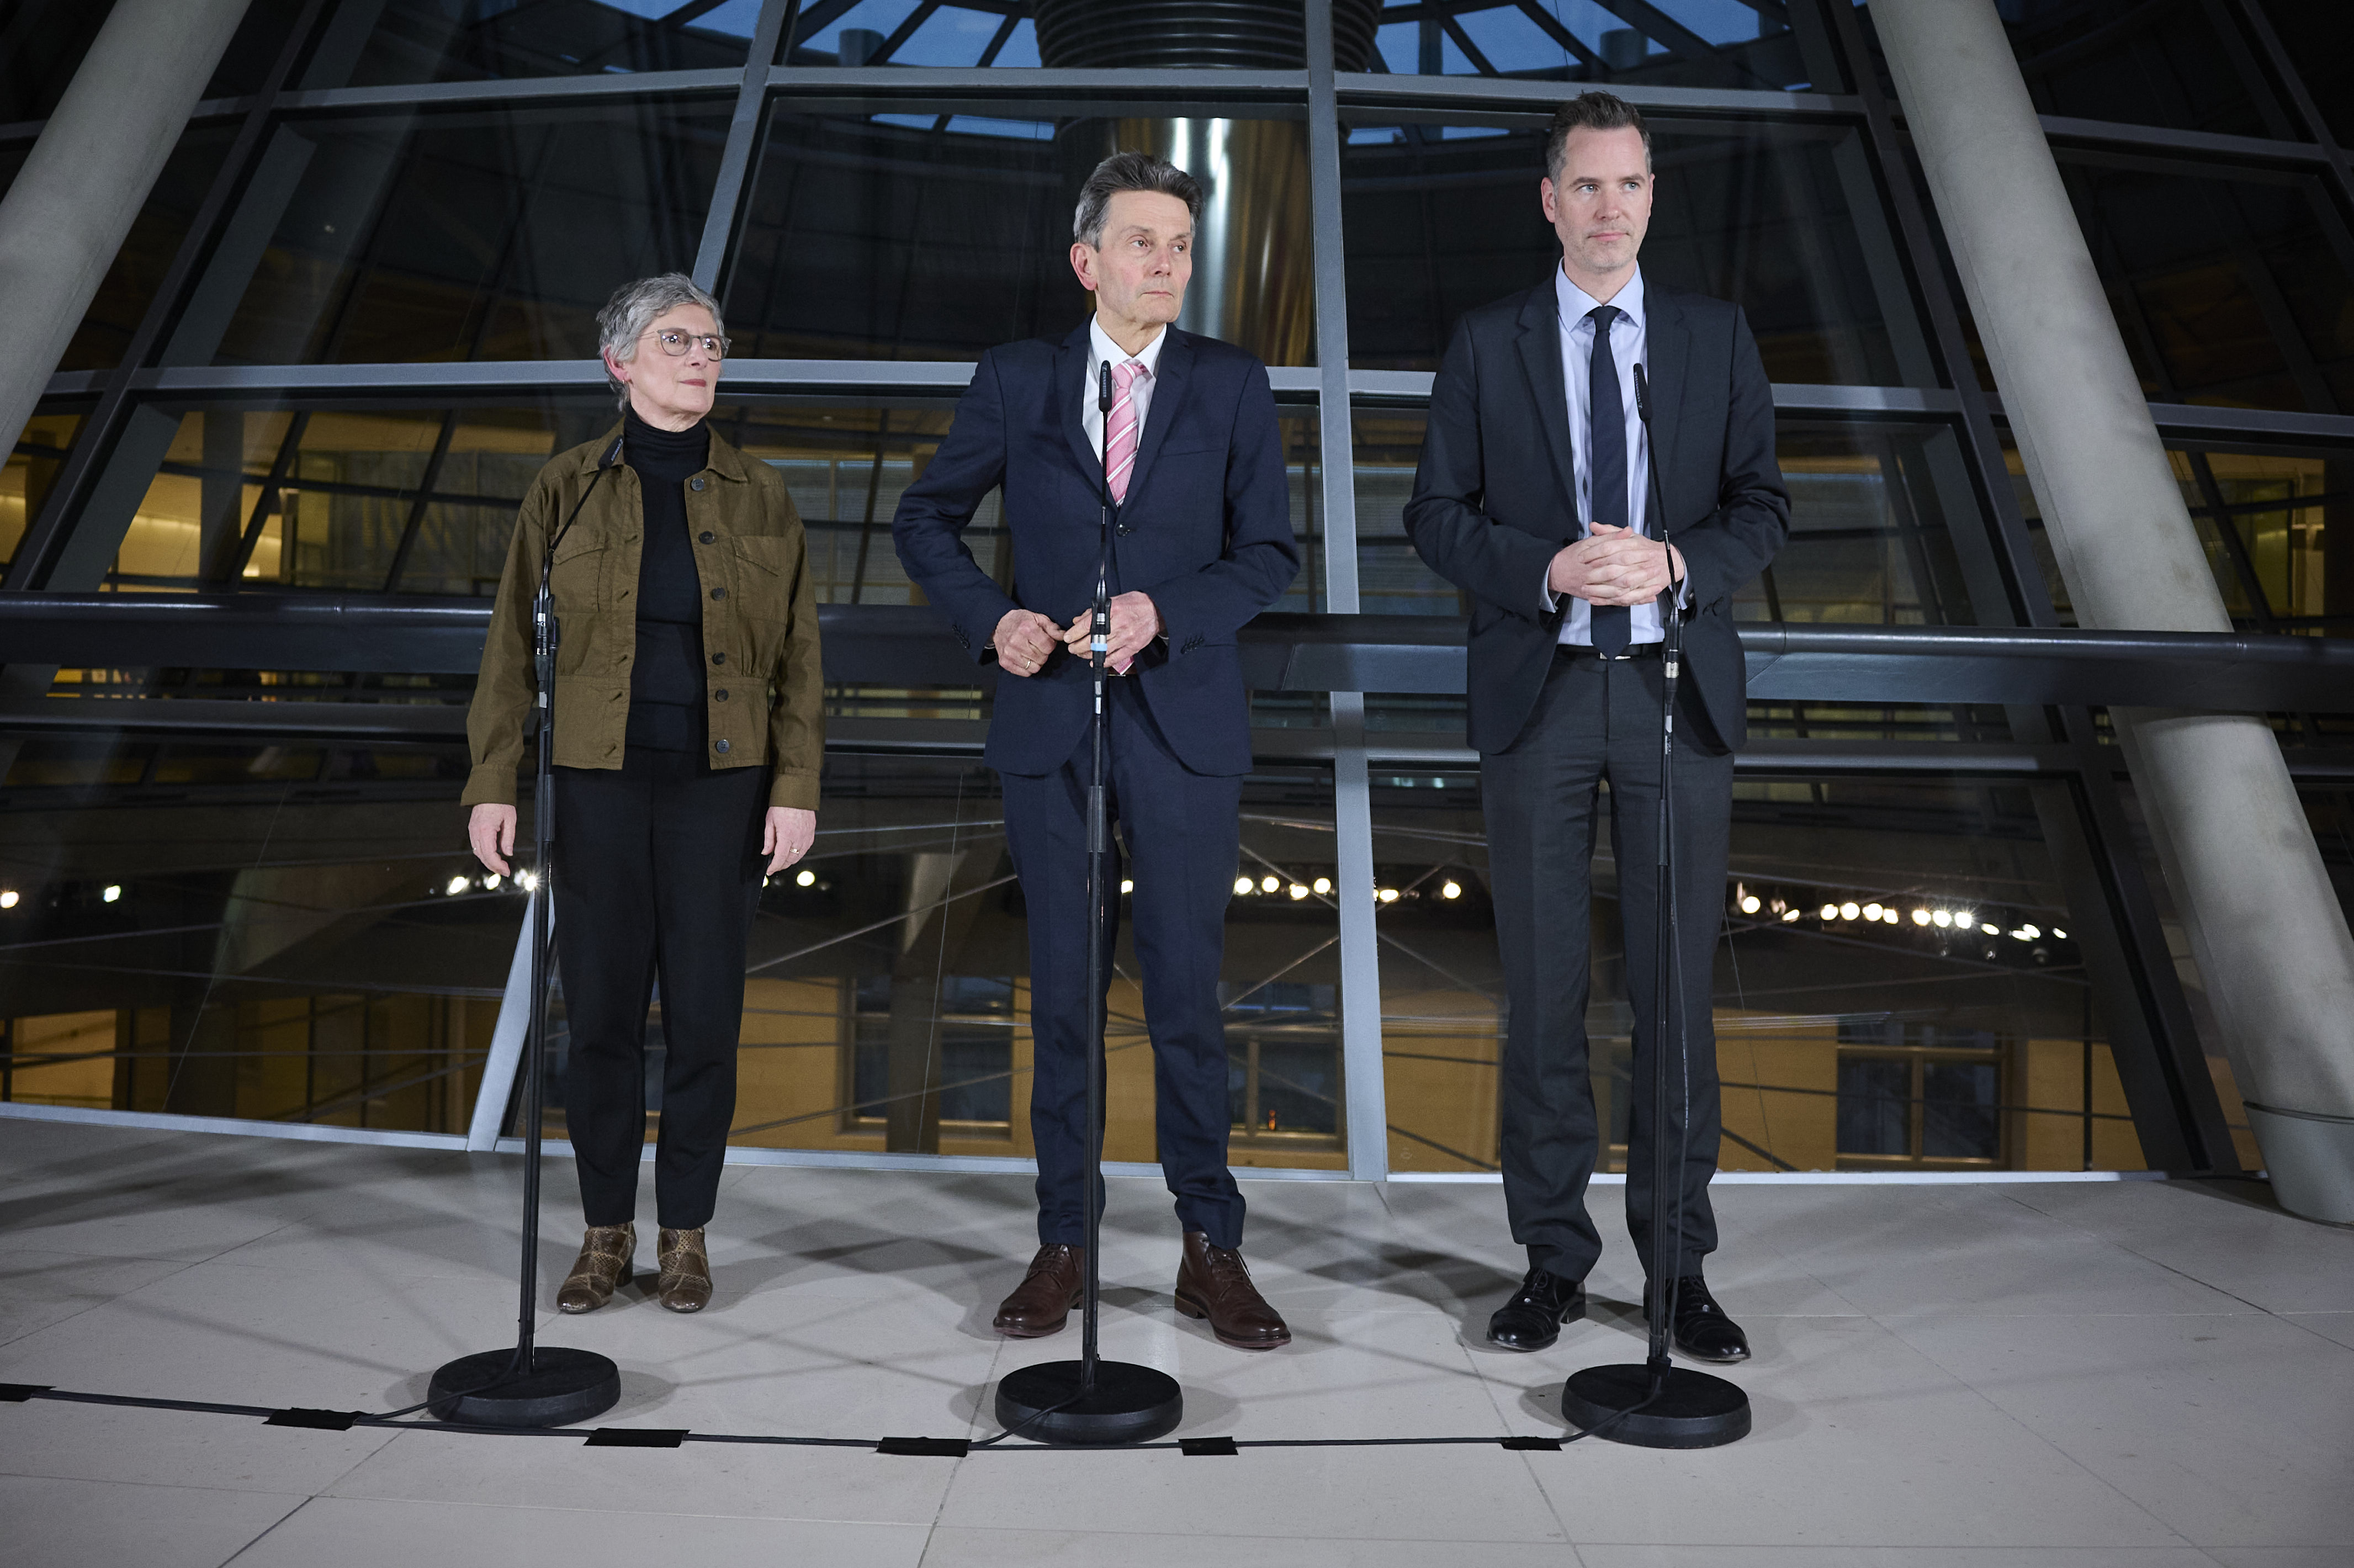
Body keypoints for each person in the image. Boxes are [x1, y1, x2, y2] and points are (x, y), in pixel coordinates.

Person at [893, 152, 1301, 1349]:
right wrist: (996, 619)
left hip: (1183, 727)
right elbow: (926, 518)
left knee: (1185, 1001)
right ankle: (1063, 1242)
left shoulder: (1230, 382)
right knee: (1063, 1001)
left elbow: (1269, 554)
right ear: (1086, 261)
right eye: (1141, 242)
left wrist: (1164, 609)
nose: (1165, 263)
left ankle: (1209, 1247)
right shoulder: (1016, 377)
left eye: (1179, 245)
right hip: (1050, 727)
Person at [1405, 93, 1788, 1362]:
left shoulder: (1711, 336)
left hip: (1675, 693)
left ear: (1650, 197)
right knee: (1544, 995)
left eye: (1628, 185)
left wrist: (1677, 562)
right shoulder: (1487, 341)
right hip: (1543, 695)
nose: (1608, 208)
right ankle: (1550, 1265)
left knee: (1674, 998)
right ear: (1548, 200)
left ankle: (1678, 1271)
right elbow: (1433, 514)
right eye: (1586, 185)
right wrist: (1544, 568)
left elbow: (1762, 506)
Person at [462, 273, 823, 1315]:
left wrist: (795, 788)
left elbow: (801, 660)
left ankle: (687, 1233)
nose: (702, 357)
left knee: (706, 1020)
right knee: (603, 1019)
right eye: (678, 341)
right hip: (596, 786)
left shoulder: (763, 493)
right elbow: (508, 650)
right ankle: (605, 1232)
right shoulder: (565, 488)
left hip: (723, 789)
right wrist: (493, 781)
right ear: (619, 363)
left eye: (712, 342)